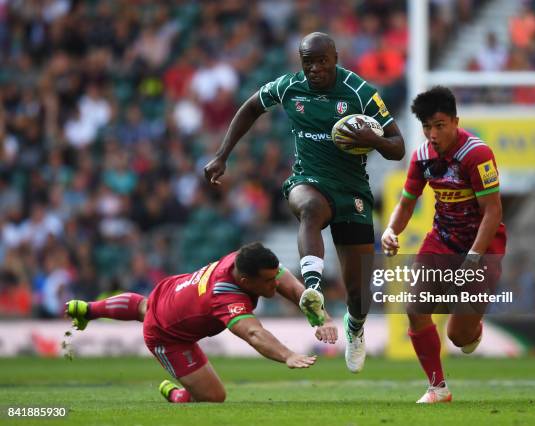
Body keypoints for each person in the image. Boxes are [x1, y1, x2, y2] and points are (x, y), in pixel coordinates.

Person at [204, 32, 405, 373]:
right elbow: (251, 106)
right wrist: (223, 155)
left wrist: (372, 139)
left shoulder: (360, 91)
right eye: (307, 62)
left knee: (358, 294)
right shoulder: (289, 86)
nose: (314, 68)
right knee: (309, 208)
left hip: (353, 191)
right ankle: (312, 290)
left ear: (335, 58)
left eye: (321, 61)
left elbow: (398, 145)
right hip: (307, 180)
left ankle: (354, 327)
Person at [65, 242, 337, 403]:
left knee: (145, 306)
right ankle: (175, 395)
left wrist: (320, 316)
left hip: (173, 289)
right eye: (267, 281)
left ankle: (87, 309)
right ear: (245, 281)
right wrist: (287, 354)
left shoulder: (246, 260)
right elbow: (253, 333)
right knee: (214, 397)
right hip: (167, 336)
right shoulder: (226, 296)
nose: (273, 283)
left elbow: (291, 287)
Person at [381, 86, 506, 403]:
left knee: (458, 336)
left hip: (482, 244)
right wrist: (391, 230)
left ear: (455, 121)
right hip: (442, 239)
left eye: (439, 125)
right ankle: (437, 388)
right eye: (426, 127)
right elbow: (407, 203)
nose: (432, 134)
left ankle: (471, 328)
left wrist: (475, 257)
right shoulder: (422, 156)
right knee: (415, 308)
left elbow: (493, 211)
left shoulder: (477, 154)